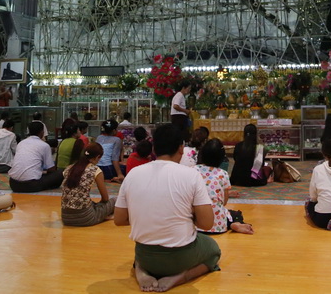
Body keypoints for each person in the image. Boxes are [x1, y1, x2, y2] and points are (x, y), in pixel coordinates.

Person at [114, 124, 221, 292]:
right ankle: (182, 277)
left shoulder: (133, 173)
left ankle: (141, 271)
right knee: (213, 250)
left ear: (154, 148)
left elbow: (119, 220)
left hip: (145, 254)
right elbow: (207, 224)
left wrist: (145, 214)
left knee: (142, 252)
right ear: (181, 148)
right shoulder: (191, 175)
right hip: (181, 258)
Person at [195, 138, 254, 234]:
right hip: (218, 225)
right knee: (235, 214)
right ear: (221, 157)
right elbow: (224, 202)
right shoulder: (223, 174)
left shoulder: (193, 170)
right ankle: (234, 223)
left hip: (195, 224)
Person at [61, 142, 116, 227]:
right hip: (85, 218)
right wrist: (101, 206)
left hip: (66, 217)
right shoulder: (95, 170)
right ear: (97, 157)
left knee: (92, 203)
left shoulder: (69, 168)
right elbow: (105, 198)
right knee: (115, 200)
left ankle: (101, 213)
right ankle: (104, 215)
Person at [8, 121, 64, 192]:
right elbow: (51, 169)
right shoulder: (44, 145)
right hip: (31, 185)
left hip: (13, 183)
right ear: (42, 132)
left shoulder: (21, 143)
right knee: (60, 174)